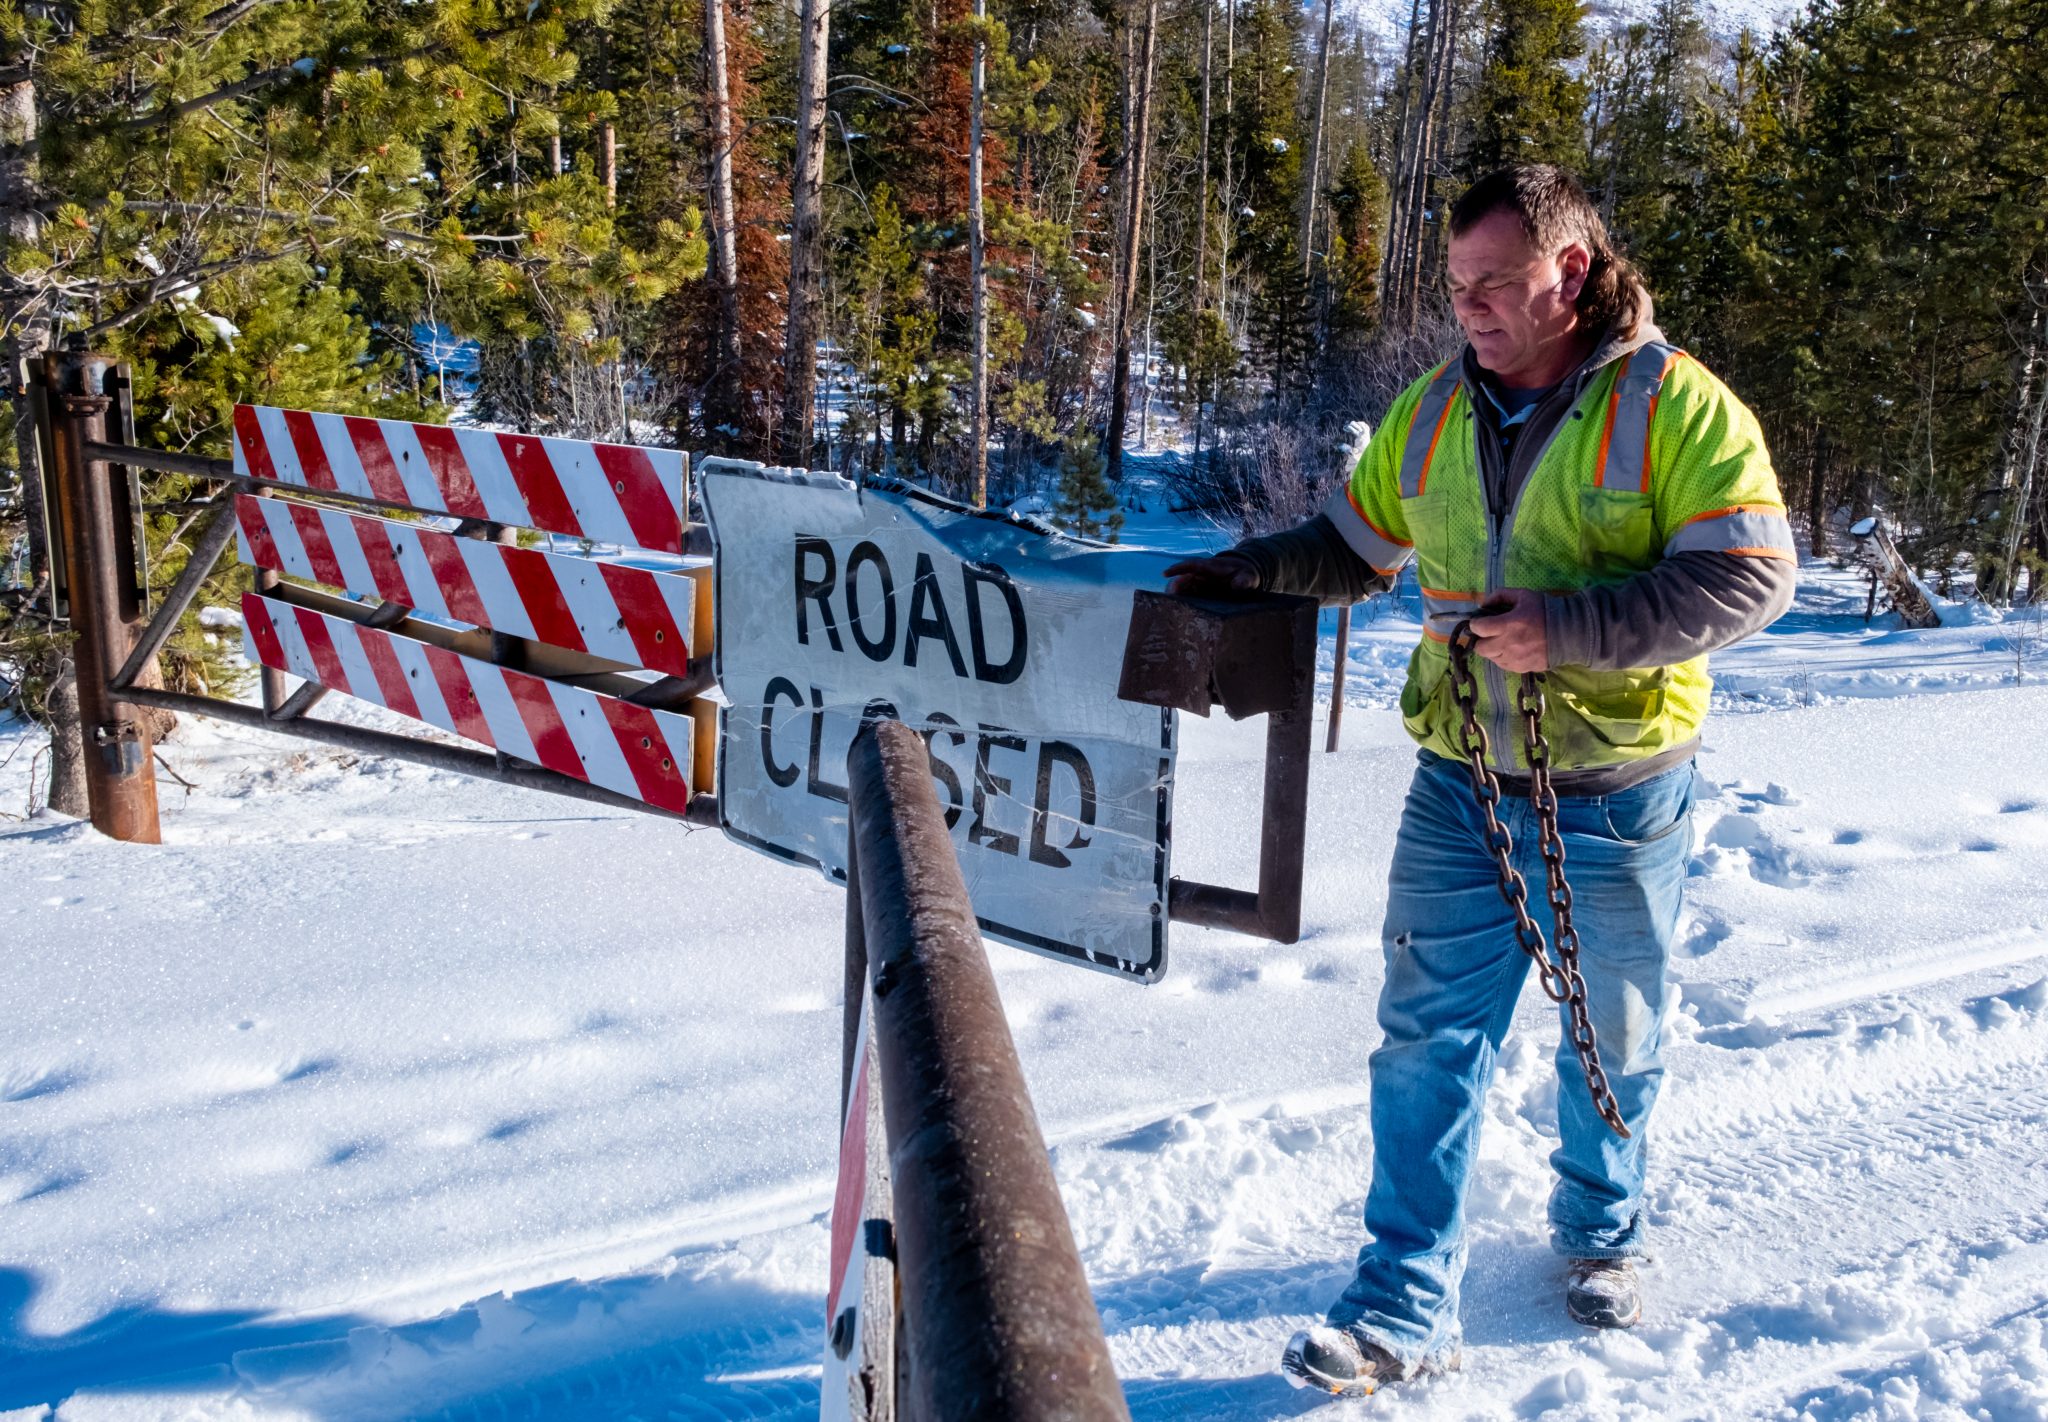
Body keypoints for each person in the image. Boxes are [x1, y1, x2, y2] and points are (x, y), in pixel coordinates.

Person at [1165, 164, 1797, 1398]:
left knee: (1607, 1032)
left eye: (1493, 285)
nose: (1468, 309)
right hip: (1457, 783)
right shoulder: (1432, 410)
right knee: (1422, 1042)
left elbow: (1749, 580)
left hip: (1613, 791)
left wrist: (1570, 629)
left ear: (1568, 272)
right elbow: (1353, 550)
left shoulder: (1676, 406)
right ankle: (1398, 1302)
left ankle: (1601, 1227)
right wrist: (1249, 570)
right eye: (1455, 287)